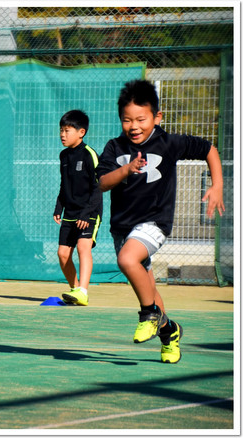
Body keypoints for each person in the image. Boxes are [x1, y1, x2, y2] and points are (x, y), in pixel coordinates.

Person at [96, 79, 224, 363]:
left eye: (141, 119)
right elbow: (102, 182)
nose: (134, 126)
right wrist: (127, 169)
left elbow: (208, 149)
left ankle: (148, 315)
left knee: (128, 261)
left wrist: (217, 185)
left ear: (157, 117)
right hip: (122, 228)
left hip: (154, 223)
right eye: (127, 120)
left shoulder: (169, 143)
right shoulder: (114, 147)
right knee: (150, 290)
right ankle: (169, 333)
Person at [53, 110, 102, 306]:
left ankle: (83, 290)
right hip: (70, 213)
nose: (62, 134)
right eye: (61, 130)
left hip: (89, 212)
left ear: (81, 132)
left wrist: (87, 213)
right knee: (63, 254)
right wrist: (59, 207)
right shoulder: (63, 156)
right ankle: (75, 290)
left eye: (67, 130)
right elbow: (63, 185)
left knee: (83, 248)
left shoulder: (90, 155)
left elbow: (98, 187)